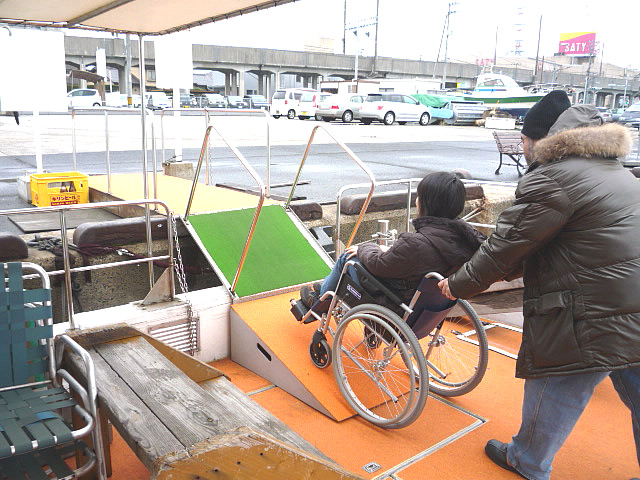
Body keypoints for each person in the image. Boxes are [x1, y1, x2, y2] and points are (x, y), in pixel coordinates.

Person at [438, 90, 640, 480]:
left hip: (592, 311)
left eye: (524, 138)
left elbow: (505, 249)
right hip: (631, 301)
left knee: (556, 383)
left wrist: (457, 285)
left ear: (540, 139)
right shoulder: (616, 171)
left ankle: (527, 461)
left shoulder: (554, 178)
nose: (523, 145)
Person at [299, 171, 486, 315]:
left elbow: (379, 264)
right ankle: (326, 287)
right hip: (425, 310)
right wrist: (385, 249)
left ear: (426, 203)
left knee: (348, 259)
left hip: (393, 305)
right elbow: (409, 260)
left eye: (420, 196)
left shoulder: (416, 244)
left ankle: (319, 299)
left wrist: (366, 247)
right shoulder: (466, 239)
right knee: (364, 256)